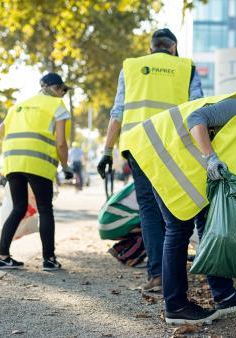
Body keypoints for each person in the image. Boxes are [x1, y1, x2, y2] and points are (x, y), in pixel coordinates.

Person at [124, 91, 236, 324]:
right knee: (178, 230)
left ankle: (225, 295)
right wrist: (210, 156)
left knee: (211, 220)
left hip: (177, 163)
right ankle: (176, 306)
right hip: (157, 151)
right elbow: (196, 119)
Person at [97, 28, 203, 292]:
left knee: (149, 209)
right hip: (173, 148)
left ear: (151, 48)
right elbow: (198, 109)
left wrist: (107, 151)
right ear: (173, 47)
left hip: (138, 148)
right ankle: (175, 277)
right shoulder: (186, 67)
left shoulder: (131, 67)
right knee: (175, 209)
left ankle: (157, 276)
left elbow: (118, 112)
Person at [0, 72, 73, 271]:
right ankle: (49, 259)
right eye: (62, 90)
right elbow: (61, 143)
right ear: (54, 88)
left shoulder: (18, 106)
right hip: (38, 163)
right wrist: (66, 166)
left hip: (13, 162)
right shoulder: (57, 106)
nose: (63, 94)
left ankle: (2, 257)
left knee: (18, 207)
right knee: (45, 209)